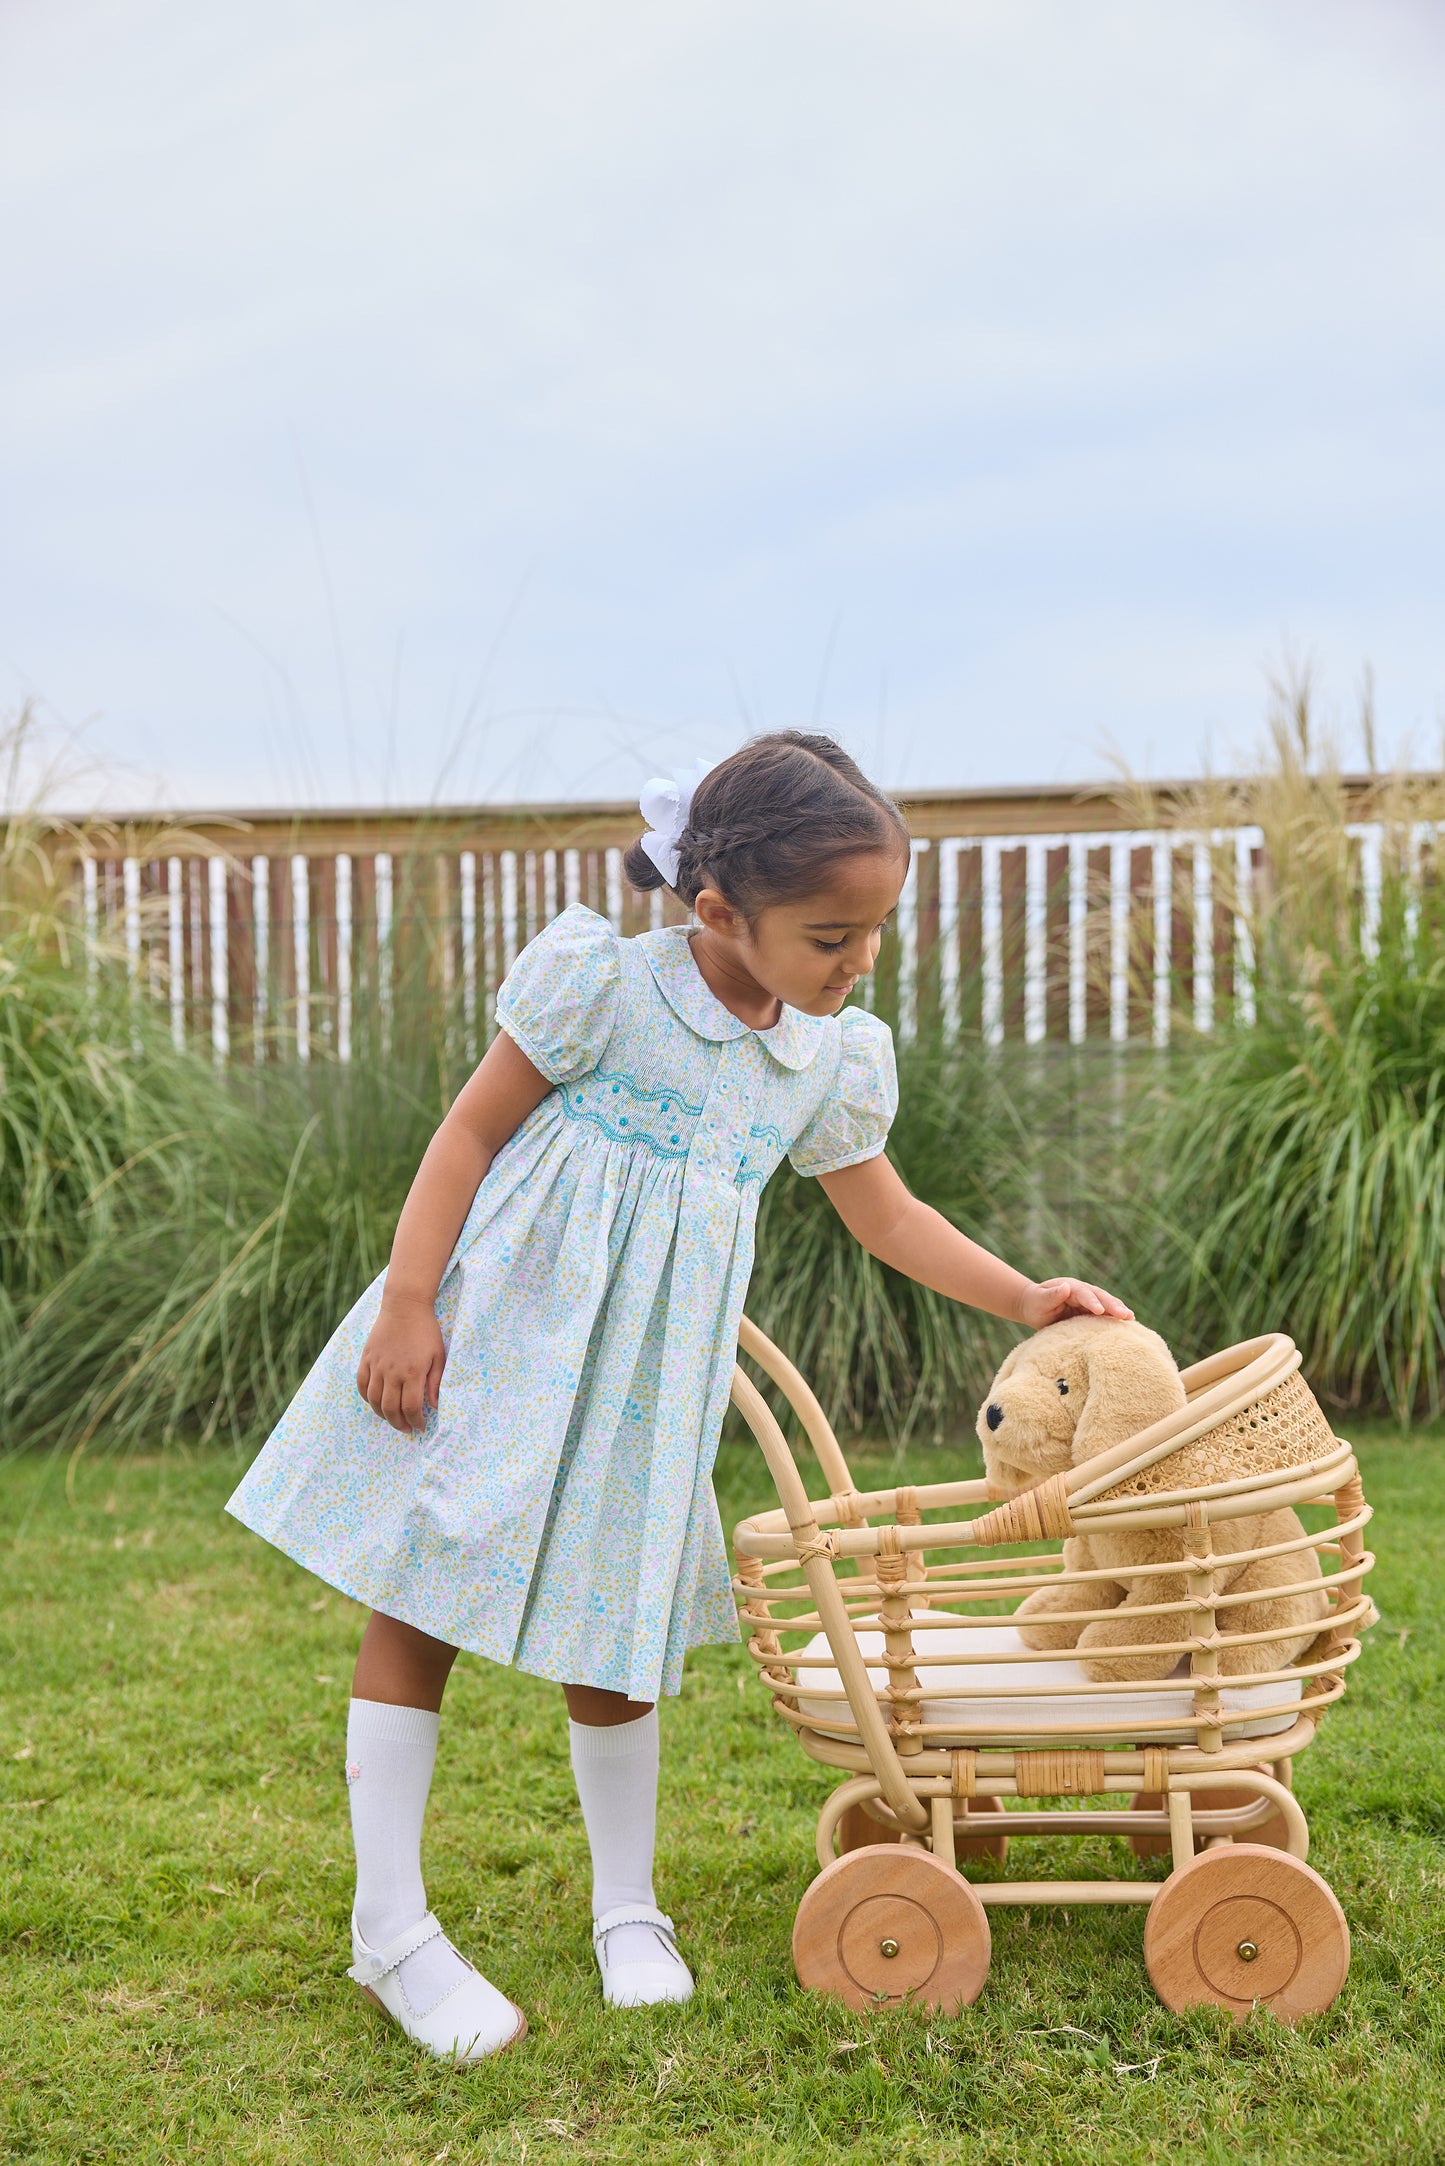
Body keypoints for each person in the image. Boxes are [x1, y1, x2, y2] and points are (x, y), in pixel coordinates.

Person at [226, 730, 1132, 2061]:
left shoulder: (824, 1053)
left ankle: (627, 1905)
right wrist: (411, 1298)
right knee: (422, 1599)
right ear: (719, 912)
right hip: (504, 1345)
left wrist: (1022, 1298)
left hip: (646, 1392)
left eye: (872, 930)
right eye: (831, 933)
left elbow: (884, 1210)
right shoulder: (606, 988)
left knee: (618, 1622)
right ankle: (390, 1923)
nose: (858, 960)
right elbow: (470, 1128)